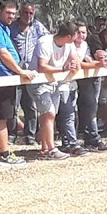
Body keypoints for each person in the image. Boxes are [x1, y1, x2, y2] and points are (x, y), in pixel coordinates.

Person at [0, 1, 36, 166]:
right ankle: (4, 154)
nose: (11, 16)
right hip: (0, 77)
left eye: (13, 13)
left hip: (4, 77)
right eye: (8, 13)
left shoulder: (2, 28)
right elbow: (3, 53)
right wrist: (20, 71)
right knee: (2, 118)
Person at [27, 22, 81, 159]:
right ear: (69, 36)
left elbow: (75, 60)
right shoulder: (45, 42)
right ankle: (51, 149)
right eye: (75, 35)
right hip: (39, 82)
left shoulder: (69, 45)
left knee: (48, 115)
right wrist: (63, 69)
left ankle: (45, 149)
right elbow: (42, 67)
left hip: (54, 83)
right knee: (49, 113)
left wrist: (75, 64)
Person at [9, 2, 49, 145]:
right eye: (26, 13)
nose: (28, 16)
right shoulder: (11, 28)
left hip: (32, 72)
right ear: (21, 13)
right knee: (14, 104)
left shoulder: (38, 27)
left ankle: (30, 135)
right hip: (16, 70)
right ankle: (11, 135)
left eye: (31, 13)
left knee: (31, 105)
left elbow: (48, 41)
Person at [73, 21, 107, 152]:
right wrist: (98, 64)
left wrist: (96, 61)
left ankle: (91, 137)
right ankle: (90, 137)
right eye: (78, 32)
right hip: (76, 82)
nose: (81, 35)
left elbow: (88, 59)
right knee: (86, 108)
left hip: (90, 78)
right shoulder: (70, 46)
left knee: (91, 107)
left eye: (83, 32)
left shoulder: (84, 45)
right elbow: (79, 63)